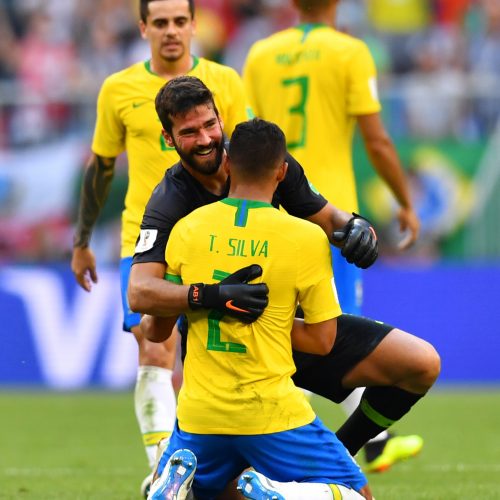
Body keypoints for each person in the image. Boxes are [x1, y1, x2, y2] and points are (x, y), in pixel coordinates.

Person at [128, 75, 440, 488]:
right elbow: (140, 291)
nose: (204, 139)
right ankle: (182, 471)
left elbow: (331, 219)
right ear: (168, 139)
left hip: (290, 335)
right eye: (189, 132)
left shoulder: (264, 162)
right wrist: (212, 295)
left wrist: (357, 229)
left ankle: (338, 452)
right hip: (231, 353)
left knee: (420, 364)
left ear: (220, 119)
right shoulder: (170, 201)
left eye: (209, 125)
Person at [70, 0, 250, 493]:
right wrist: (83, 239)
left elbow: (248, 157)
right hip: (147, 240)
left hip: (215, 239)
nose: (171, 31)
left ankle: (209, 459)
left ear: (193, 25)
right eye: (161, 23)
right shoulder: (118, 89)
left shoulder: (226, 82)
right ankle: (166, 471)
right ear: (144, 27)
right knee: (154, 350)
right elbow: (101, 166)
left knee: (207, 367)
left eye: (179, 22)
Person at [143, 117, 371, 500]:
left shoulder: (186, 228)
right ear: (282, 172)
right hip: (270, 411)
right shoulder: (306, 238)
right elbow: (323, 339)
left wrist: (204, 302)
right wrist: (273, 318)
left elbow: (154, 329)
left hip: (199, 417)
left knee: (218, 488)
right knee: (357, 495)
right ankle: (283, 493)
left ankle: (177, 485)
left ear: (228, 163)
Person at [242, 0, 423, 472]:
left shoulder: (260, 53)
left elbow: (248, 139)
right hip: (331, 219)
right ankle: (307, 451)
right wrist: (404, 201)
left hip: (273, 211)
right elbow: (377, 139)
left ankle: (374, 441)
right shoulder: (350, 52)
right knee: (335, 337)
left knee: (285, 333)